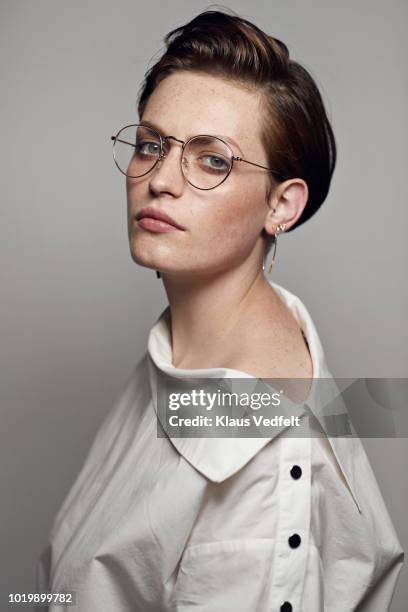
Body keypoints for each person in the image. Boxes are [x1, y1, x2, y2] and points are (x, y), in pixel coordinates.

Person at [36, 9, 404, 611]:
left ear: (281, 206)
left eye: (213, 160)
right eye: (151, 145)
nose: (160, 180)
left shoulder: (258, 464)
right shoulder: (190, 352)